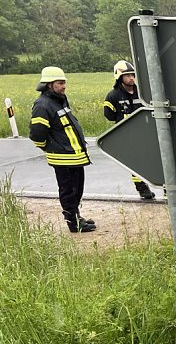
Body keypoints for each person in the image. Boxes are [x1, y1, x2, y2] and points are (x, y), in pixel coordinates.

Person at [29, 66, 96, 233]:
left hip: (75, 156)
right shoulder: (42, 105)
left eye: (64, 82)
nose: (64, 86)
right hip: (62, 157)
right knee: (68, 191)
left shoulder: (60, 100)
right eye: (60, 83)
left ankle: (76, 217)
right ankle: (73, 223)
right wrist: (48, 147)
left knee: (76, 190)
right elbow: (37, 134)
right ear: (49, 85)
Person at [103, 60, 155, 199]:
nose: (131, 78)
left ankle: (166, 187)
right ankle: (143, 189)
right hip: (127, 135)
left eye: (133, 75)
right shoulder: (112, 96)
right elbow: (109, 114)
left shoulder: (143, 93)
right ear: (119, 77)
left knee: (156, 159)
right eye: (128, 75)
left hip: (146, 132)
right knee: (136, 163)